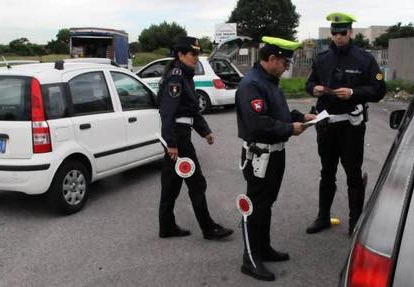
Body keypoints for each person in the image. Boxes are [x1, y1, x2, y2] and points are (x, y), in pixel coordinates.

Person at [236, 36, 316, 281]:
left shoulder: (269, 81)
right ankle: (250, 258)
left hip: (275, 153)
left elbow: (278, 112)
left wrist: (301, 116)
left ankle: (264, 248)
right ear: (271, 59)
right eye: (284, 62)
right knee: (255, 207)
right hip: (259, 155)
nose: (287, 67)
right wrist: (289, 129)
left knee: (266, 205)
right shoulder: (252, 84)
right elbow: (258, 123)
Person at [305, 13, 386, 236]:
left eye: (342, 33)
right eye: (334, 33)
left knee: (353, 174)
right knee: (327, 172)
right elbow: (309, 83)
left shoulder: (364, 58)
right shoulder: (322, 58)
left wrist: (353, 92)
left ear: (350, 32)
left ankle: (355, 224)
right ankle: (322, 217)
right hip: (327, 124)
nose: (338, 37)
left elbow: (379, 90)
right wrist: (314, 89)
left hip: (352, 125)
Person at [158, 36, 233, 240]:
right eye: (193, 54)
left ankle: (166, 226)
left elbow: (191, 109)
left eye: (198, 54)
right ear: (180, 55)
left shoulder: (184, 75)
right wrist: (172, 144)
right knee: (197, 184)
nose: (196, 58)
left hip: (180, 135)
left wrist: (205, 131)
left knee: (171, 184)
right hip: (178, 138)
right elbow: (168, 112)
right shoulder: (176, 77)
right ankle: (208, 228)